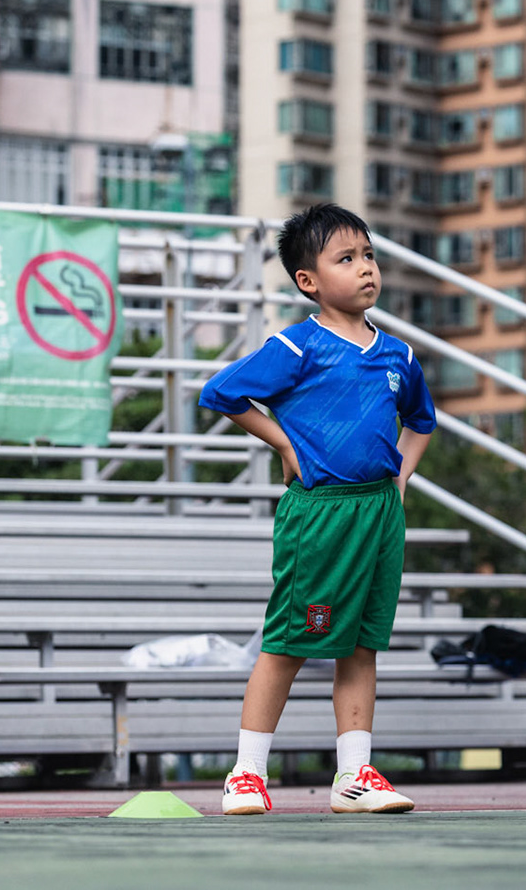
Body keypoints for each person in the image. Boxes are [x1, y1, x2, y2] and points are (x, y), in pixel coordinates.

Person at [199, 203, 437, 816]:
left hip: (379, 514)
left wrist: (402, 478)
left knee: (360, 646)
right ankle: (246, 775)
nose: (366, 270)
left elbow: (421, 422)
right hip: (321, 515)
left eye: (369, 256)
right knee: (289, 642)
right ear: (308, 281)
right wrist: (282, 441)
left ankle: (355, 776)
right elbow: (222, 392)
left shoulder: (398, 356)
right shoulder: (298, 345)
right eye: (347, 259)